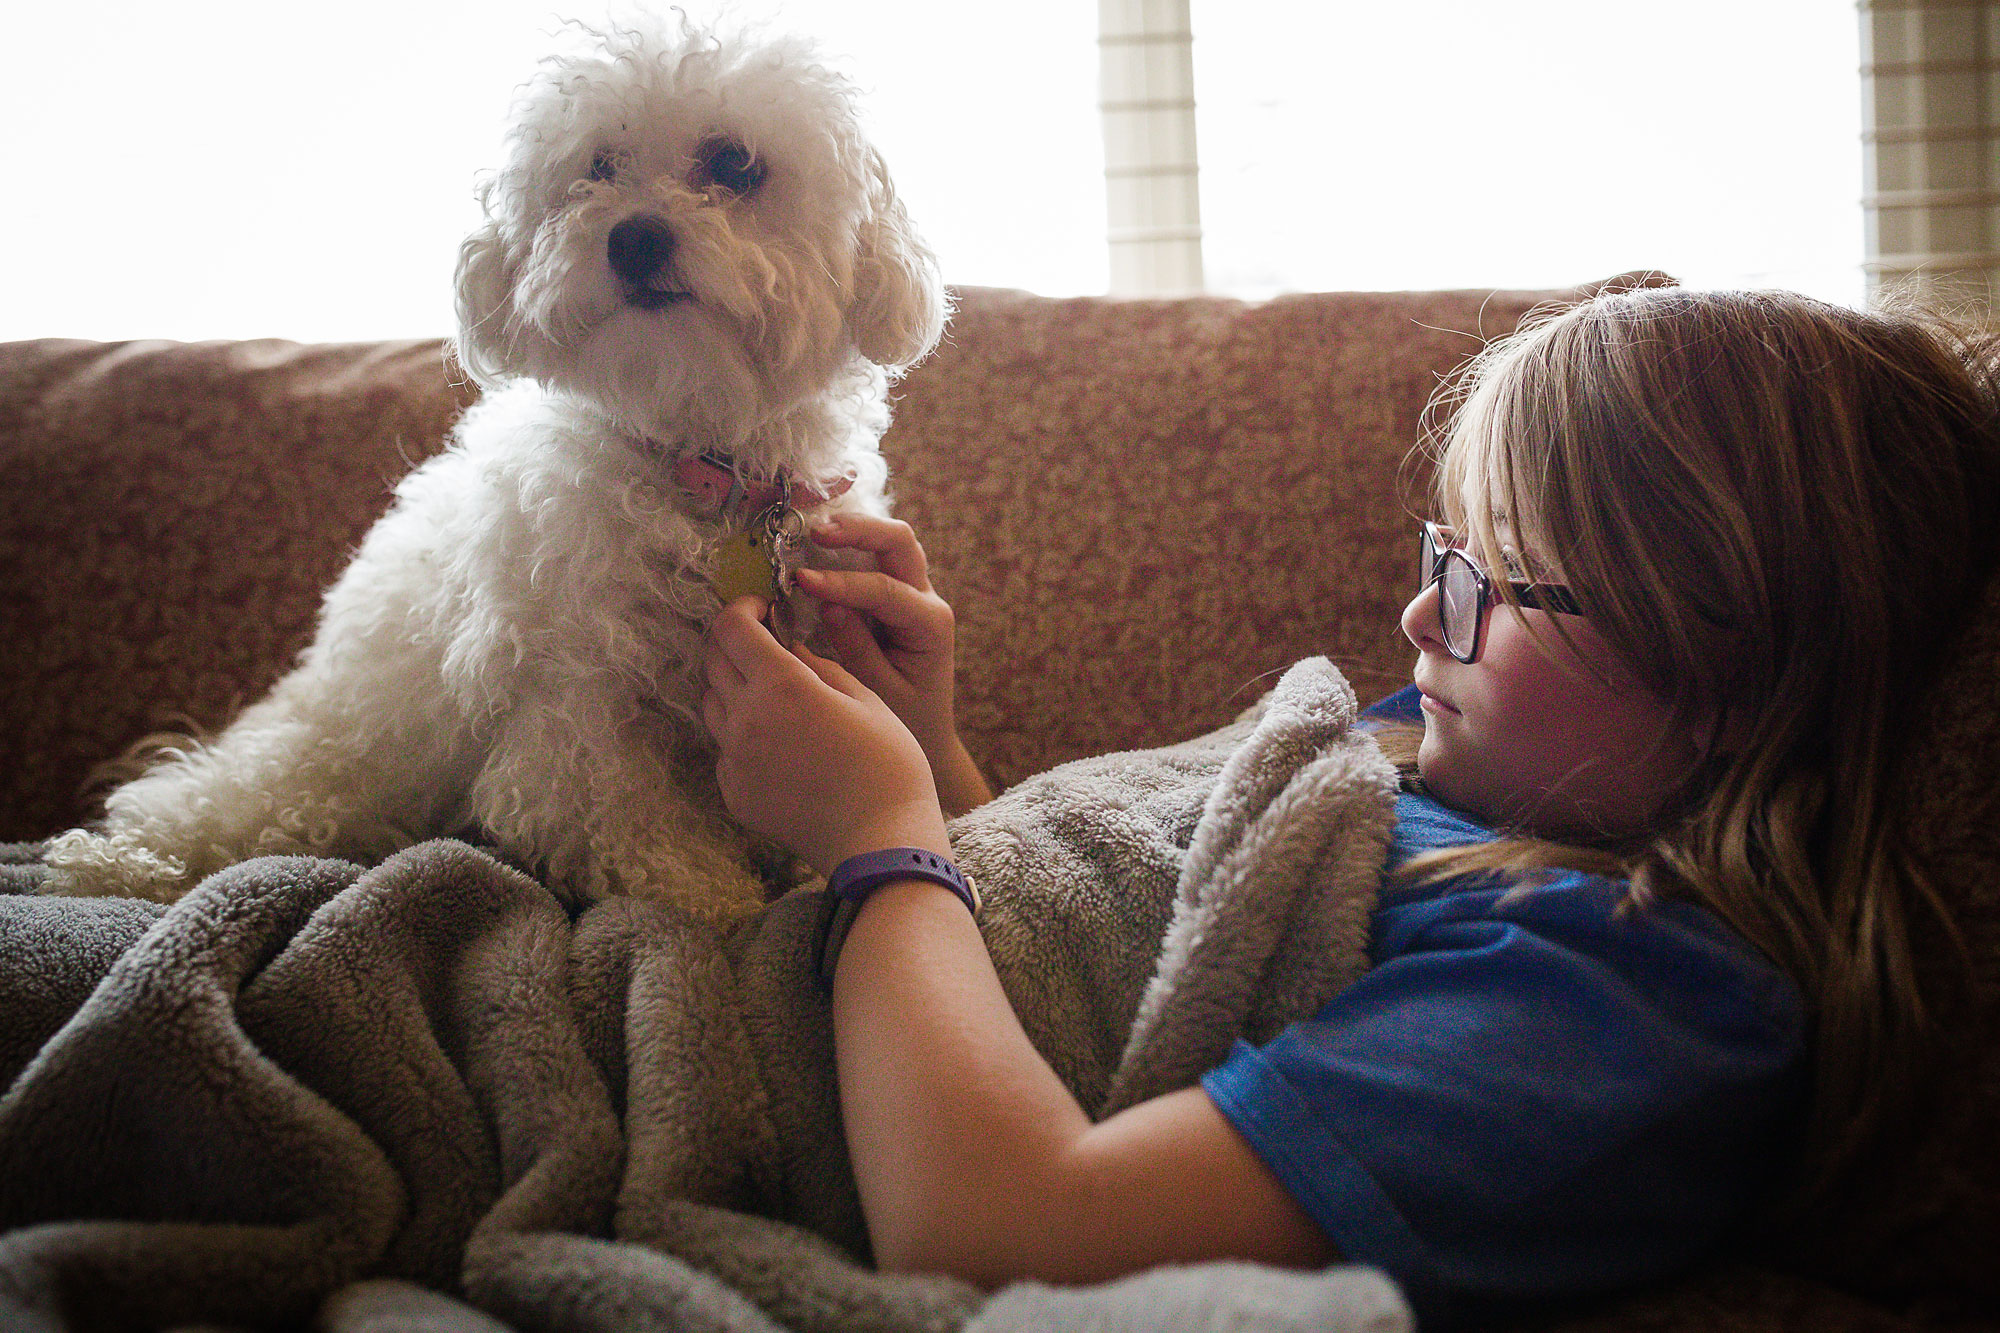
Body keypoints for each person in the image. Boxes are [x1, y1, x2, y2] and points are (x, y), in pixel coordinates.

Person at [698, 286, 2000, 1327]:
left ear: (1727, 668)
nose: (1423, 615)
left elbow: (999, 1222)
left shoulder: (1611, 1004)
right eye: (1449, 557)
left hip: (716, 1086)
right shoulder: (1434, 762)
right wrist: (930, 749)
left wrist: (880, 831)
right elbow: (1097, 952)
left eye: (1503, 582)